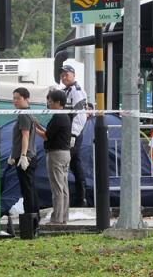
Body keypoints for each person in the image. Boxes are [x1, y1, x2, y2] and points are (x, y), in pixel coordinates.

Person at [35, 89, 71, 225]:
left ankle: (56, 219)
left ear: (58, 102)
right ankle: (63, 217)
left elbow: (46, 136)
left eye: (50, 101)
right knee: (64, 188)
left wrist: (34, 128)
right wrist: (38, 124)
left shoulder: (58, 117)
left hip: (56, 154)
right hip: (65, 154)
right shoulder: (64, 116)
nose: (48, 104)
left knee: (57, 188)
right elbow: (50, 132)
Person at [9, 87, 39, 227]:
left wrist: (23, 155)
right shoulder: (27, 113)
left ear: (26, 99)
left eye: (18, 98)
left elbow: (25, 135)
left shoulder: (24, 115)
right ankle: (35, 219)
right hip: (26, 156)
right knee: (30, 188)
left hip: (26, 158)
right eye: (14, 98)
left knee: (27, 190)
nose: (15, 101)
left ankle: (30, 222)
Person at [60, 65, 88, 207]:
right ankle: (79, 198)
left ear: (74, 75)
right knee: (73, 163)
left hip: (72, 133)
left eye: (67, 74)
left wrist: (73, 134)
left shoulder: (76, 91)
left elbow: (80, 116)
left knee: (71, 163)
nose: (64, 77)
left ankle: (80, 198)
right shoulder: (65, 91)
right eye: (62, 75)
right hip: (67, 132)